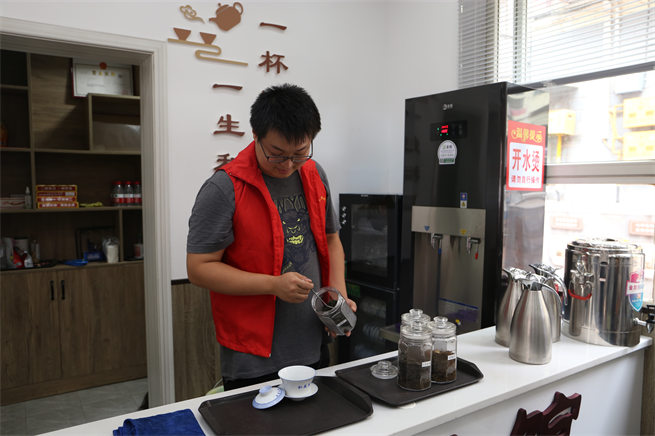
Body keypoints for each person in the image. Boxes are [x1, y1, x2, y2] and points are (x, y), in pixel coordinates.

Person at [186, 83, 356, 391]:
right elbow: (199, 268)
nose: (288, 165)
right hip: (253, 356)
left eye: (300, 153)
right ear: (255, 135)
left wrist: (338, 295)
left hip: (312, 341)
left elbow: (331, 239)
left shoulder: (314, 174)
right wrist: (273, 285)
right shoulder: (224, 187)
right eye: (277, 155)